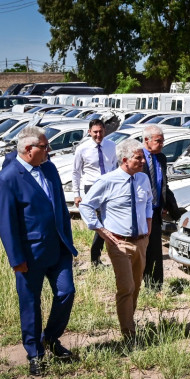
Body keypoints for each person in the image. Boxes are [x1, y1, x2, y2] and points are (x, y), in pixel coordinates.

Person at [0, 127, 77, 376]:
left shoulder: (49, 168)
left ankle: (50, 338)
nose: (49, 151)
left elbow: (60, 205)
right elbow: (6, 224)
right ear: (29, 150)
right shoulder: (7, 179)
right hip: (30, 254)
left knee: (66, 292)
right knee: (30, 303)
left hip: (59, 248)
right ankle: (34, 353)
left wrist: (68, 241)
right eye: (45, 147)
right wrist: (16, 259)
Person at [79, 139, 153, 339]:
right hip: (119, 243)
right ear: (125, 159)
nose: (143, 161)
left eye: (143, 157)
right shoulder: (107, 181)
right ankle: (128, 333)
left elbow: (148, 203)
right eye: (139, 158)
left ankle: (130, 322)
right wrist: (100, 229)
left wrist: (148, 226)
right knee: (126, 286)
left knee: (136, 286)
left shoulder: (143, 179)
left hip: (141, 242)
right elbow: (86, 205)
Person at [140, 125, 182, 289]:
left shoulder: (161, 158)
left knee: (155, 251)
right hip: (138, 214)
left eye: (162, 140)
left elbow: (164, 186)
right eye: (159, 141)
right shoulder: (136, 157)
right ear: (146, 140)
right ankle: (138, 283)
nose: (162, 144)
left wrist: (174, 211)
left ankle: (155, 286)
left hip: (155, 212)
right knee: (139, 251)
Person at [72, 119, 117, 266]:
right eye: (95, 132)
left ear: (105, 130)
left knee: (108, 219)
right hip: (92, 187)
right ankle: (95, 257)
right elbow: (76, 173)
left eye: (100, 131)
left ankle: (102, 255)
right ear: (89, 132)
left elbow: (115, 168)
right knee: (100, 220)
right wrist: (77, 194)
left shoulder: (112, 146)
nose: (98, 135)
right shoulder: (82, 149)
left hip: (109, 186)